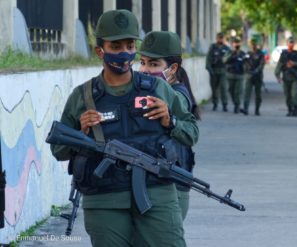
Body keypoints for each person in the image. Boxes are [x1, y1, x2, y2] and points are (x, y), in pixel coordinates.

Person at [50, 9, 198, 247]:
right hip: (104, 199)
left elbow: (192, 133)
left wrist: (171, 121)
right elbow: (58, 150)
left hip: (156, 195)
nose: (124, 53)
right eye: (116, 47)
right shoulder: (83, 96)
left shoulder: (157, 89)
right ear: (100, 51)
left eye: (130, 46)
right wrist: (81, 129)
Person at [138, 31, 201, 221]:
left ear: (172, 68)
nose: (145, 70)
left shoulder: (177, 95)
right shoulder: (146, 90)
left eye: (154, 64)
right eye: (142, 62)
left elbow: (184, 119)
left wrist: (169, 118)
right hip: (152, 180)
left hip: (173, 186)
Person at [275, 37, 297, 117]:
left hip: (295, 77)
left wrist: (293, 63)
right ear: (287, 44)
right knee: (287, 94)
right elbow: (279, 65)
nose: (291, 44)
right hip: (286, 77)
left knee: (295, 94)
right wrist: (278, 75)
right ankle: (289, 109)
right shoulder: (284, 54)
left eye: (292, 43)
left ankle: (295, 110)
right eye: (290, 43)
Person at [206, 32, 231, 111]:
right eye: (219, 37)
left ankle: (224, 105)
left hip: (223, 71)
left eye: (222, 37)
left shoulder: (227, 48)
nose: (220, 39)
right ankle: (215, 104)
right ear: (216, 38)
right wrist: (210, 70)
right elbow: (208, 59)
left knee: (223, 88)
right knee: (214, 89)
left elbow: (230, 60)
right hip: (214, 71)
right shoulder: (212, 47)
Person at [242, 37, 265, 116]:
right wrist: (246, 71)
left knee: (258, 94)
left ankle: (257, 109)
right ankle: (245, 108)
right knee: (246, 93)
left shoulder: (260, 54)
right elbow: (244, 63)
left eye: (254, 44)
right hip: (249, 76)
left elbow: (262, 64)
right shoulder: (247, 54)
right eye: (251, 44)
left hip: (257, 76)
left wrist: (257, 71)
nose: (253, 46)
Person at [224, 37, 246, 114]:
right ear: (232, 44)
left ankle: (237, 106)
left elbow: (246, 63)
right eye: (235, 43)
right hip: (230, 74)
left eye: (238, 42)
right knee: (231, 90)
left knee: (238, 91)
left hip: (240, 75)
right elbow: (224, 60)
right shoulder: (229, 52)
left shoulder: (243, 53)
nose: (236, 44)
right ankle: (236, 103)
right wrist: (232, 54)